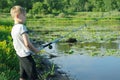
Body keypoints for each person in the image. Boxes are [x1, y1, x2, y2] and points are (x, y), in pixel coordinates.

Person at [10, 5, 40, 80]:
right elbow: (27, 43)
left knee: (23, 76)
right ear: (17, 16)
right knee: (33, 77)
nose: (25, 17)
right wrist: (35, 50)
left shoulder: (14, 28)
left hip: (20, 55)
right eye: (24, 15)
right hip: (26, 56)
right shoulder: (22, 27)